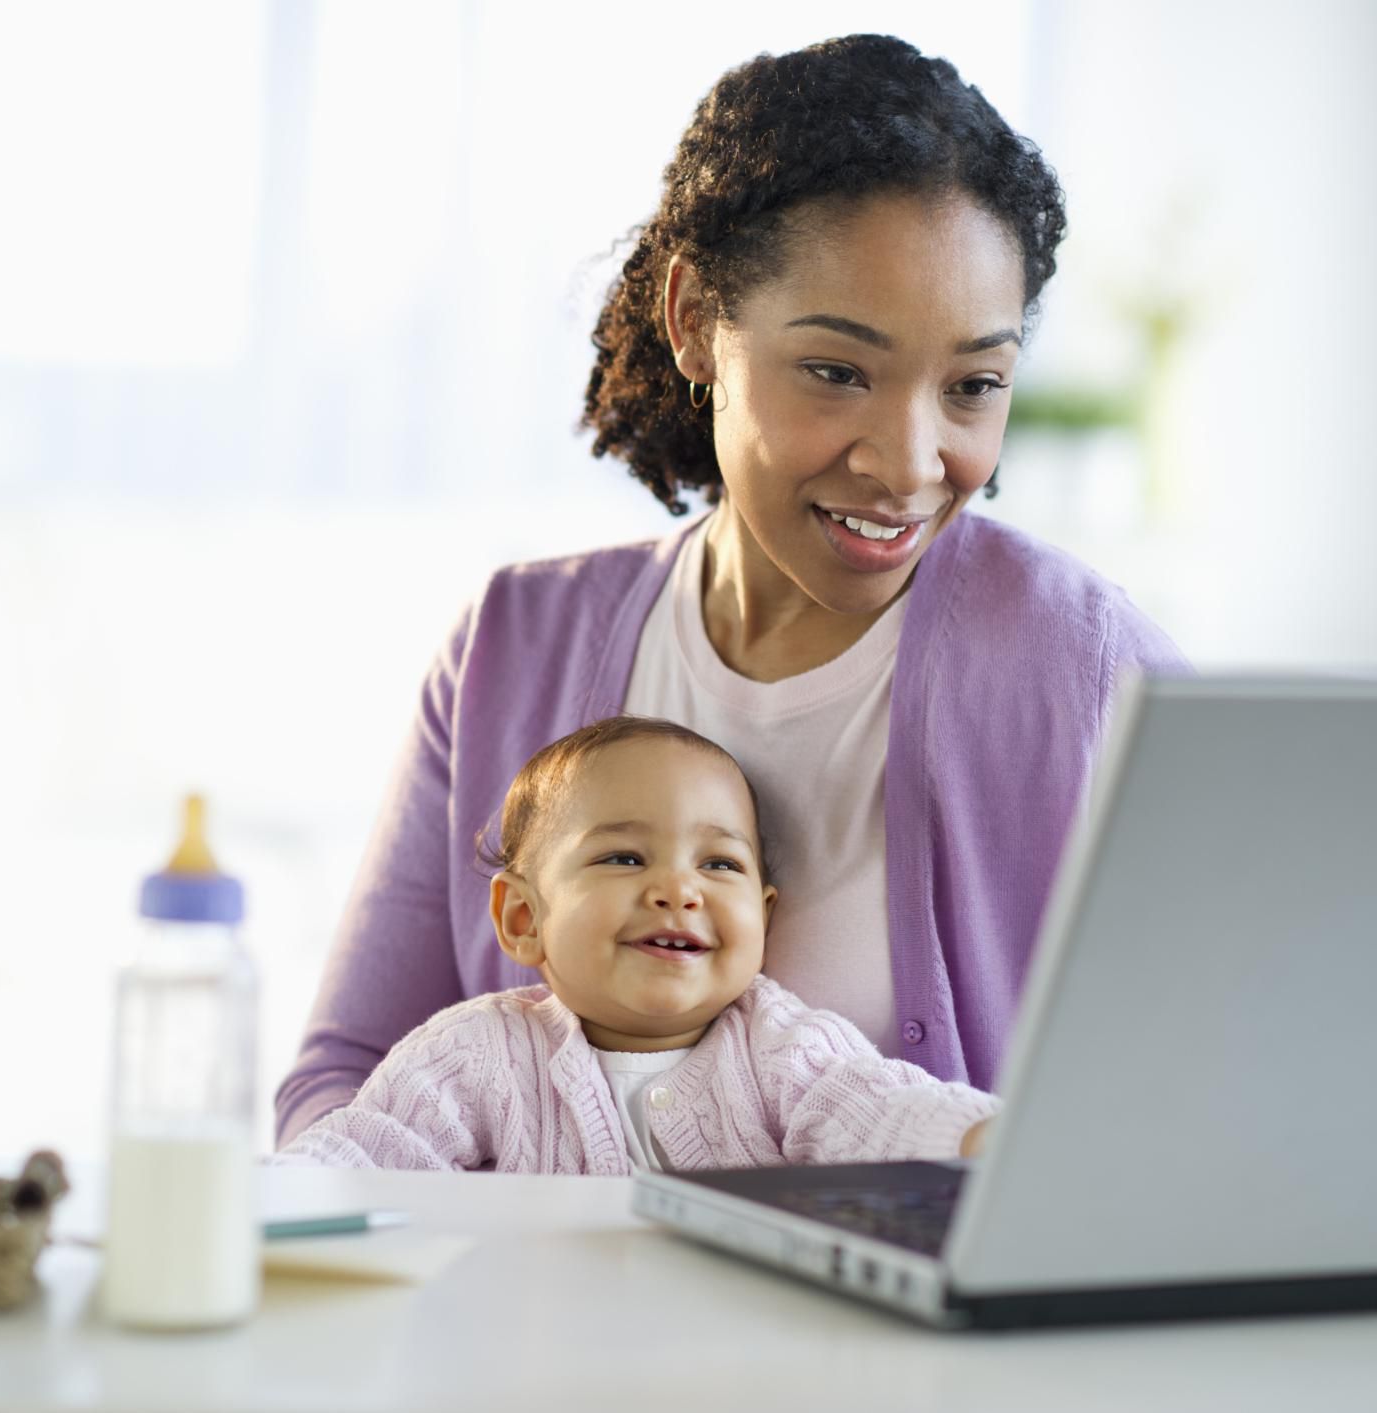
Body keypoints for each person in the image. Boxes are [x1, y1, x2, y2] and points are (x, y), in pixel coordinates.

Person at [276, 34, 1187, 1147]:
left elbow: (1210, 1102)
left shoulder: (1090, 669)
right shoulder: (513, 648)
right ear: (697, 318)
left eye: (972, 387)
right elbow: (346, 1082)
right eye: (839, 372)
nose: (909, 463)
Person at [276, 718, 997, 1173]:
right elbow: (360, 1153)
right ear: (524, 917)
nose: (679, 890)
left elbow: (876, 1112)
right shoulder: (476, 1054)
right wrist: (268, 1200)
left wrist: (990, 1137)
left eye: (719, 864)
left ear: (764, 919)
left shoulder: (781, 1047)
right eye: (623, 858)